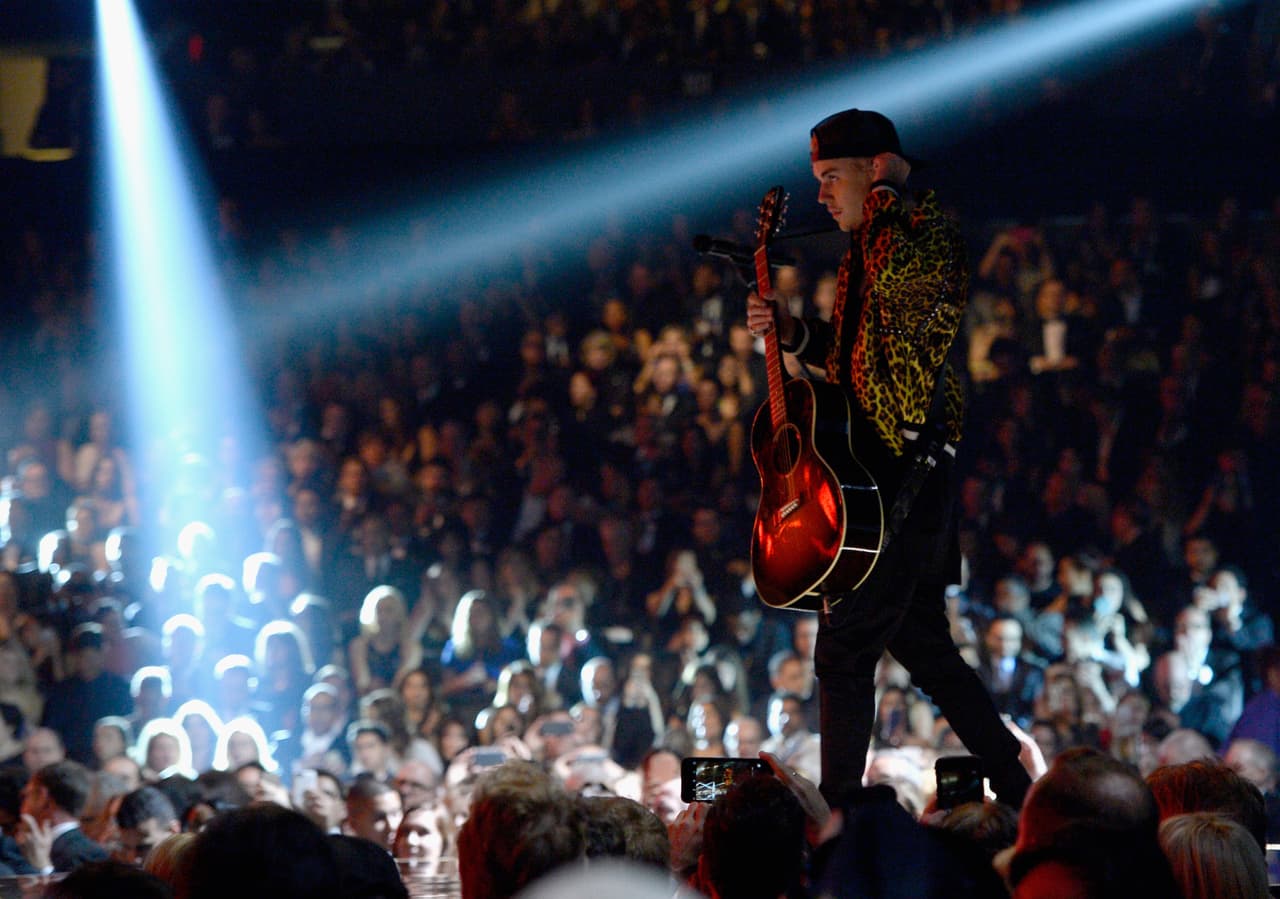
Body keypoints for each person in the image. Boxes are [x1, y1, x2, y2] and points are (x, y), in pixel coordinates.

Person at [745, 107, 1029, 808]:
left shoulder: (920, 233)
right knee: (927, 652)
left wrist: (880, 203)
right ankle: (1020, 787)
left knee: (844, 650)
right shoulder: (867, 247)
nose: (820, 195)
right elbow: (852, 363)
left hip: (908, 469)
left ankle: (841, 817)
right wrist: (791, 331)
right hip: (884, 472)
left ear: (876, 171)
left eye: (830, 178)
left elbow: (907, 306)